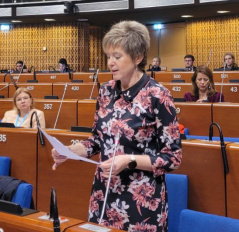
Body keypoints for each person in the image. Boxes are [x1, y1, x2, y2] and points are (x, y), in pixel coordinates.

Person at [52, 20, 182, 231]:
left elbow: (173, 159)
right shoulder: (105, 91)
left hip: (141, 203)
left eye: (117, 56)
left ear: (138, 57)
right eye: (108, 56)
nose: (110, 62)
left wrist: (129, 160)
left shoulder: (158, 95)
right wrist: (69, 151)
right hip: (103, 195)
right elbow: (97, 140)